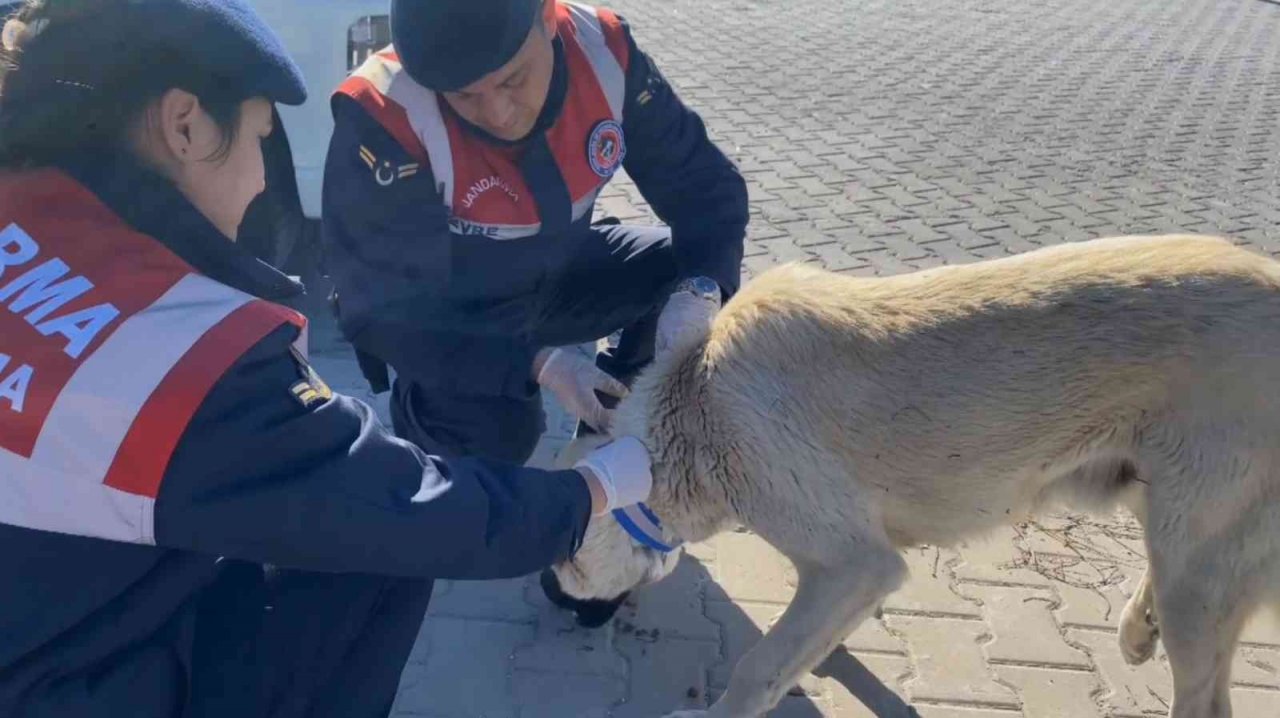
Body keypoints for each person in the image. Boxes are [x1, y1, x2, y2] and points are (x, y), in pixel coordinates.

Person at [0, 1, 653, 716]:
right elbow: (409, 508)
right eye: (259, 140)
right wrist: (596, 486)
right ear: (184, 124)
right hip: (54, 684)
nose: (259, 181)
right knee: (378, 555)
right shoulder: (182, 361)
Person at [322, 0, 749, 466]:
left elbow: (703, 186)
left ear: (548, 17)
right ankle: (428, 439)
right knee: (498, 437)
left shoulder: (601, 49)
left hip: (559, 269)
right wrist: (535, 361)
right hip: (457, 310)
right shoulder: (384, 112)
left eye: (513, 79)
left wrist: (704, 286)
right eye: (464, 96)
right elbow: (380, 306)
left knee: (686, 273)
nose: (500, 113)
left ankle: (614, 421)